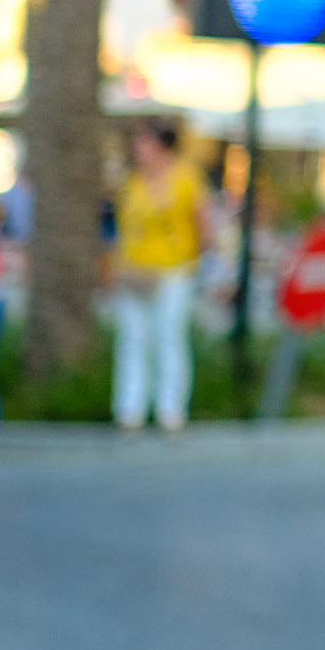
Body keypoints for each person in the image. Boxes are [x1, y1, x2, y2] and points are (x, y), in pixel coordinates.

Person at [110, 121, 203, 435]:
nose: (138, 149)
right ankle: (130, 409)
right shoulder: (133, 180)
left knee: (168, 337)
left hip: (173, 270)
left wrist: (194, 260)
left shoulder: (185, 178)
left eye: (144, 142)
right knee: (133, 339)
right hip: (135, 270)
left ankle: (170, 409)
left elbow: (199, 220)